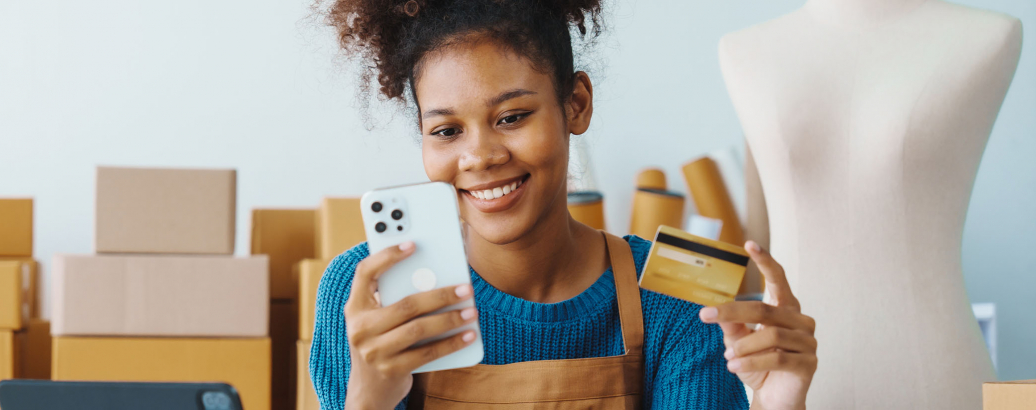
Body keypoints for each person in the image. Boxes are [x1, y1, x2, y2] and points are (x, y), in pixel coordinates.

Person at [309, 0, 818, 408]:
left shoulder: (679, 289)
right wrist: (368, 401)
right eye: (446, 131)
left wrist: (777, 405)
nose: (480, 156)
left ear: (575, 105)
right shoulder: (365, 295)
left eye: (512, 116)